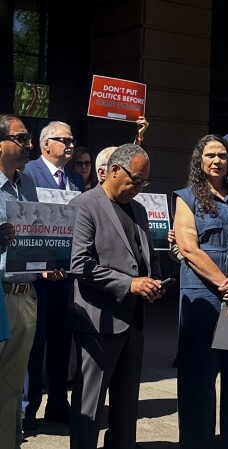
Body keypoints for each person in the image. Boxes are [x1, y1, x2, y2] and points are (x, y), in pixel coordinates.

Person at [68, 143, 163, 449]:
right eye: (136, 179)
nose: (139, 187)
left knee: (126, 408)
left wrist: (155, 281)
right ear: (112, 171)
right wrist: (128, 284)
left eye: (144, 182)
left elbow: (147, 256)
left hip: (134, 320)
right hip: (99, 322)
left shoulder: (139, 209)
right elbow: (79, 263)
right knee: (89, 408)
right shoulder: (84, 204)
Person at [173, 134, 228, 449]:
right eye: (210, 155)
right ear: (199, 160)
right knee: (199, 378)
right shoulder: (187, 197)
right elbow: (189, 248)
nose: (216, 161)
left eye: (222, 155)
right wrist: (227, 286)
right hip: (203, 299)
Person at [0, 114, 67, 449]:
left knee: (12, 387)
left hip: (26, 295)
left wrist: (45, 265)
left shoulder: (26, 184)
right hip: (0, 295)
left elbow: (32, 238)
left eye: (28, 138)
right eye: (21, 137)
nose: (29, 145)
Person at [22, 120, 85, 431]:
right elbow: (25, 223)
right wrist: (40, 263)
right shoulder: (28, 174)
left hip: (68, 275)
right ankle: (28, 407)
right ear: (46, 144)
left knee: (62, 342)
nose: (70, 144)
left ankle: (58, 402)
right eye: (64, 139)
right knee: (35, 343)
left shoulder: (75, 179)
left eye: (72, 139)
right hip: (39, 276)